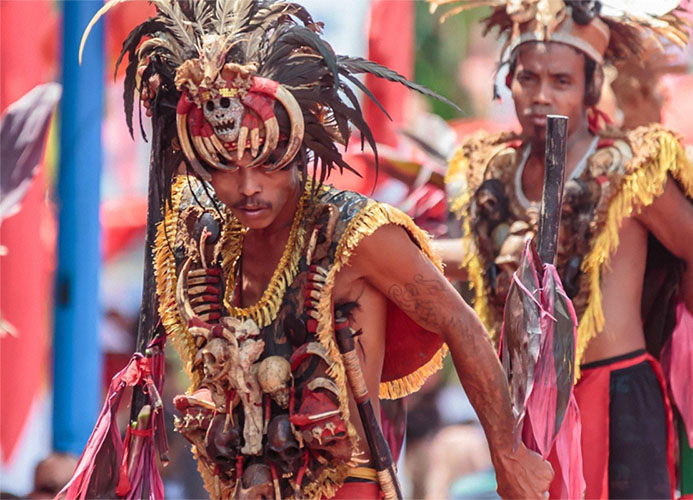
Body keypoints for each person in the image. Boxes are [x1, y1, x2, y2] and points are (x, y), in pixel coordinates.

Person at [61, 1, 552, 499]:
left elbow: (458, 321)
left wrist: (508, 453)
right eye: (225, 166)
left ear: (297, 146)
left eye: (266, 161)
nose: (247, 186)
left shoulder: (354, 232)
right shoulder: (199, 242)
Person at [431, 0, 693, 498]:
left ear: (590, 87)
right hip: (530, 413)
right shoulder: (492, 173)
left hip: (620, 397)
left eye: (561, 81)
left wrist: (692, 356)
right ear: (507, 81)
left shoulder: (626, 166)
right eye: (528, 78)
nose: (541, 95)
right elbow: (479, 262)